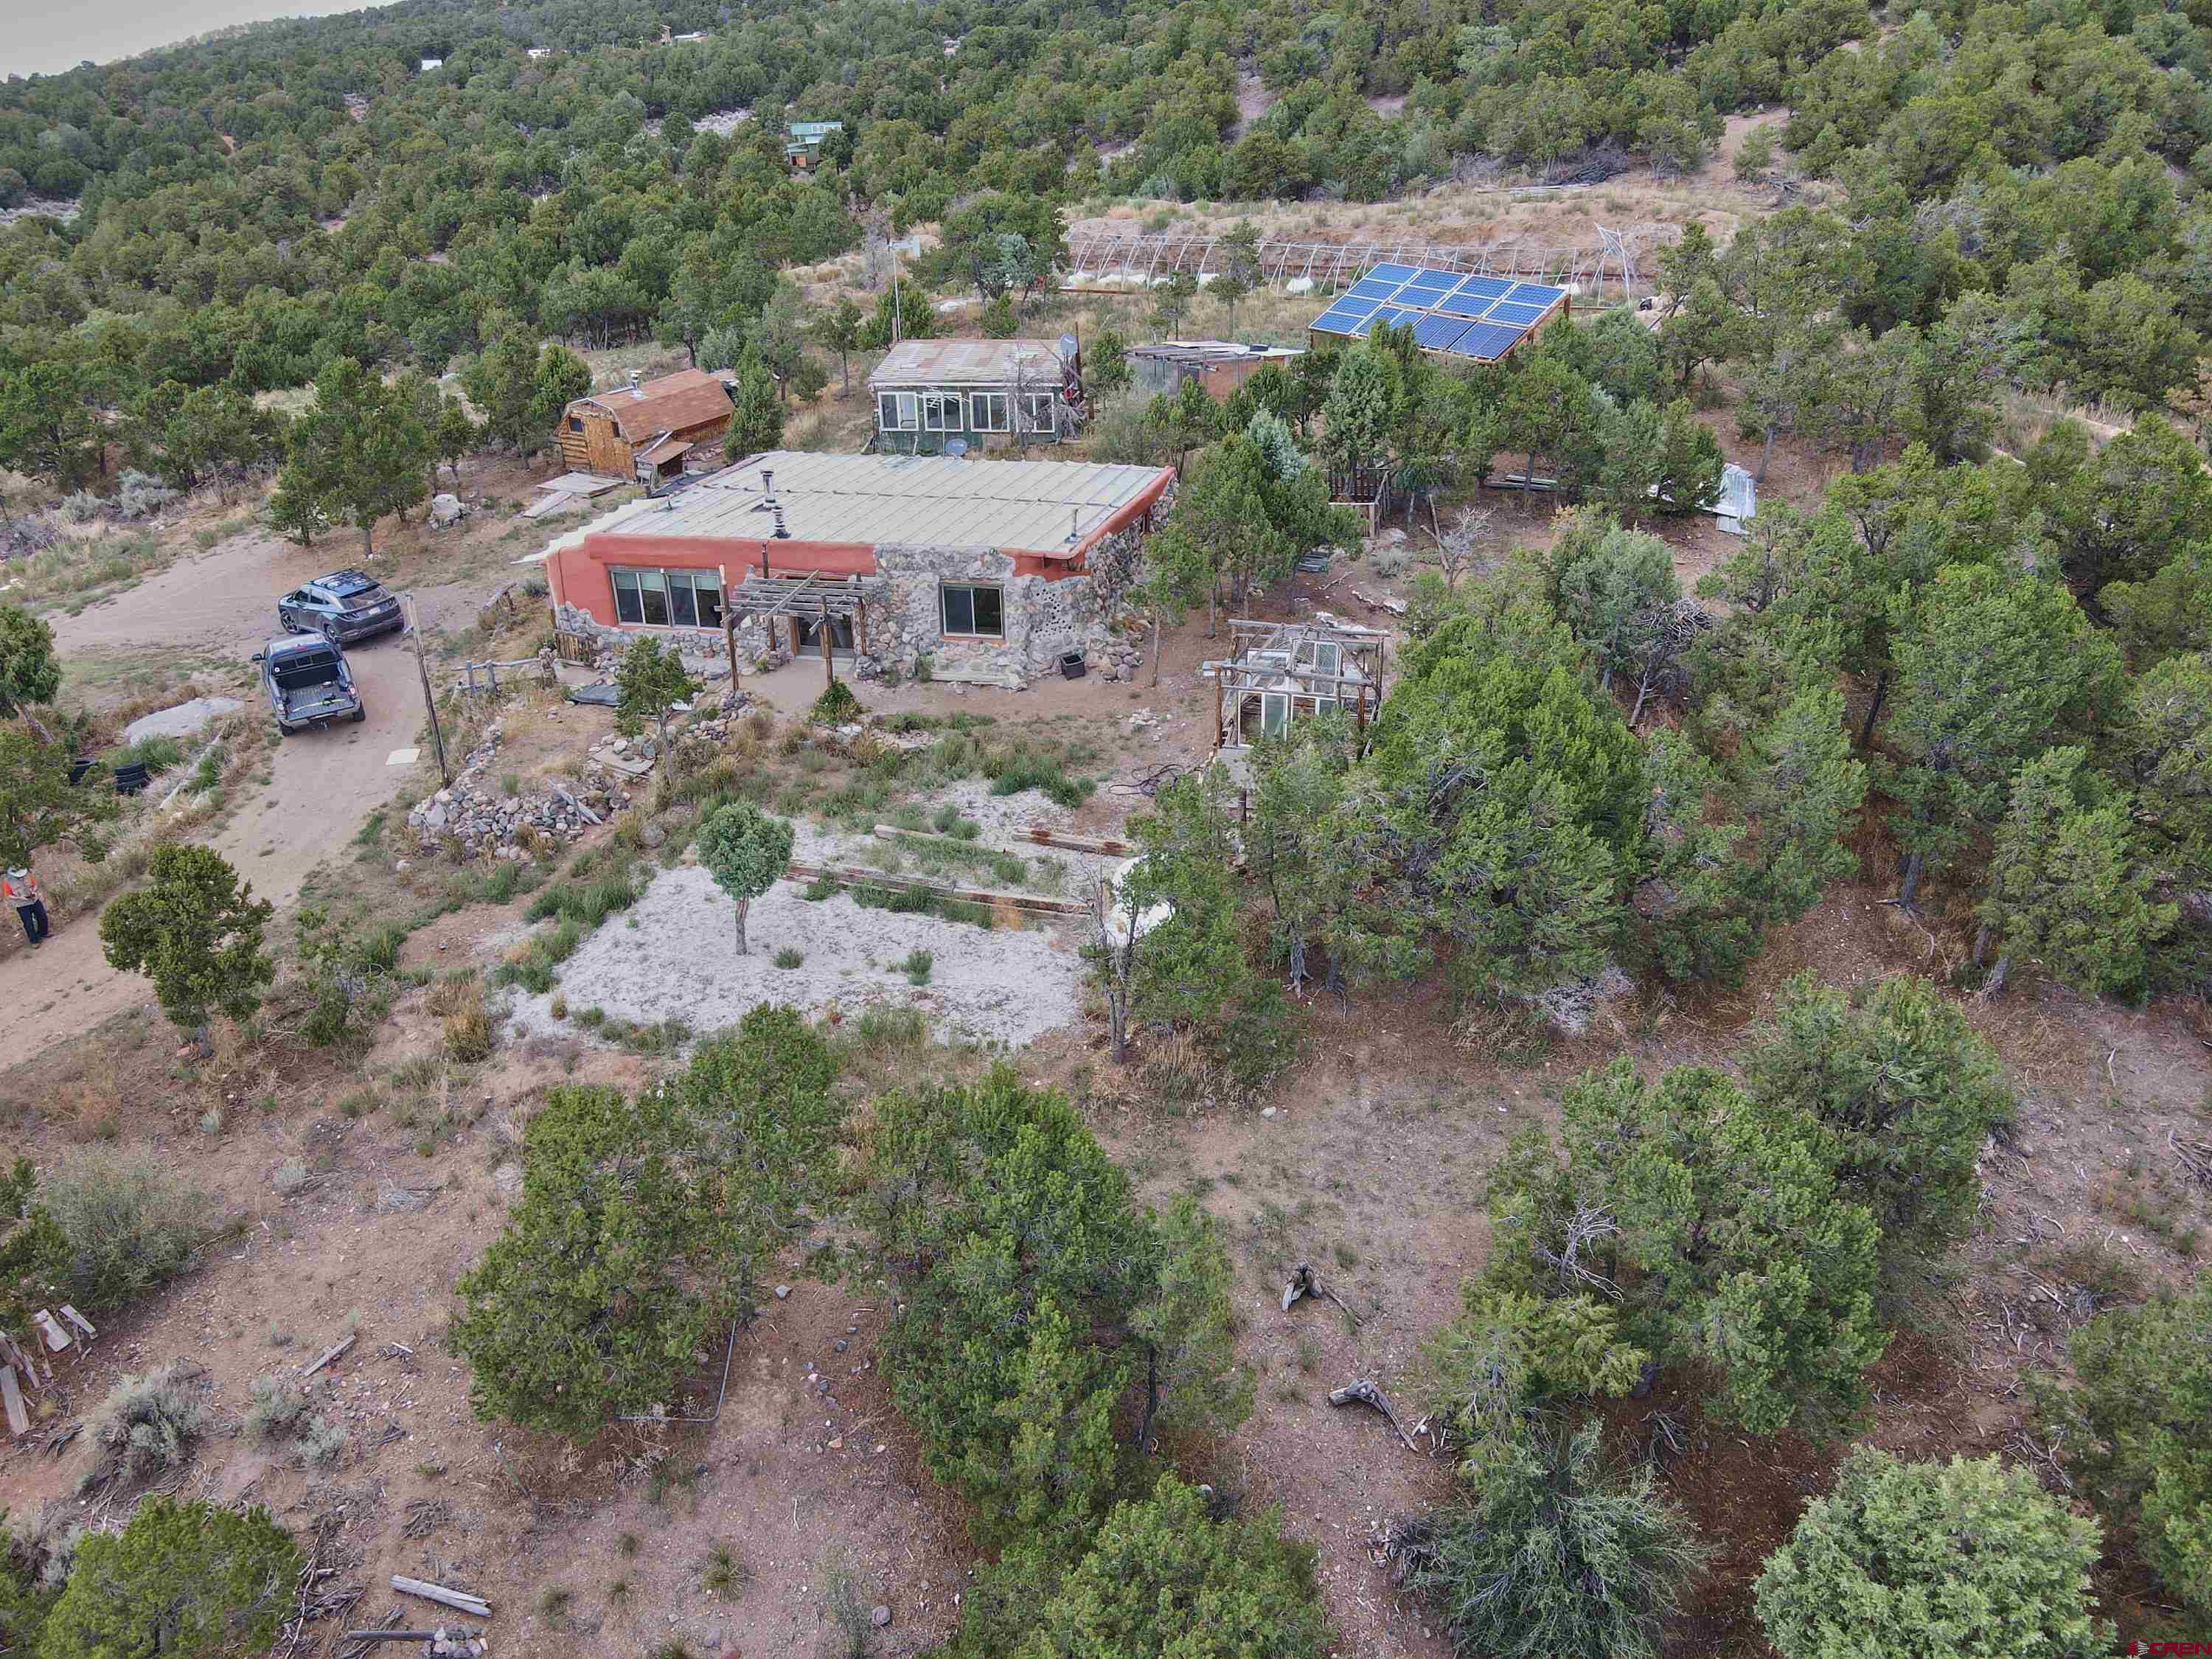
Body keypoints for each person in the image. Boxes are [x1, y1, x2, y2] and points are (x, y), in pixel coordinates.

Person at [4, 866, 48, 947]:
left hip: (34, 901)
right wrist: (19, 898)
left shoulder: (28, 875)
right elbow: (9, 895)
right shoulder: (8, 881)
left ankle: (44, 933)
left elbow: (35, 885)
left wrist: (34, 891)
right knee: (28, 923)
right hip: (22, 905)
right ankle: (34, 941)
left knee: (43, 916)